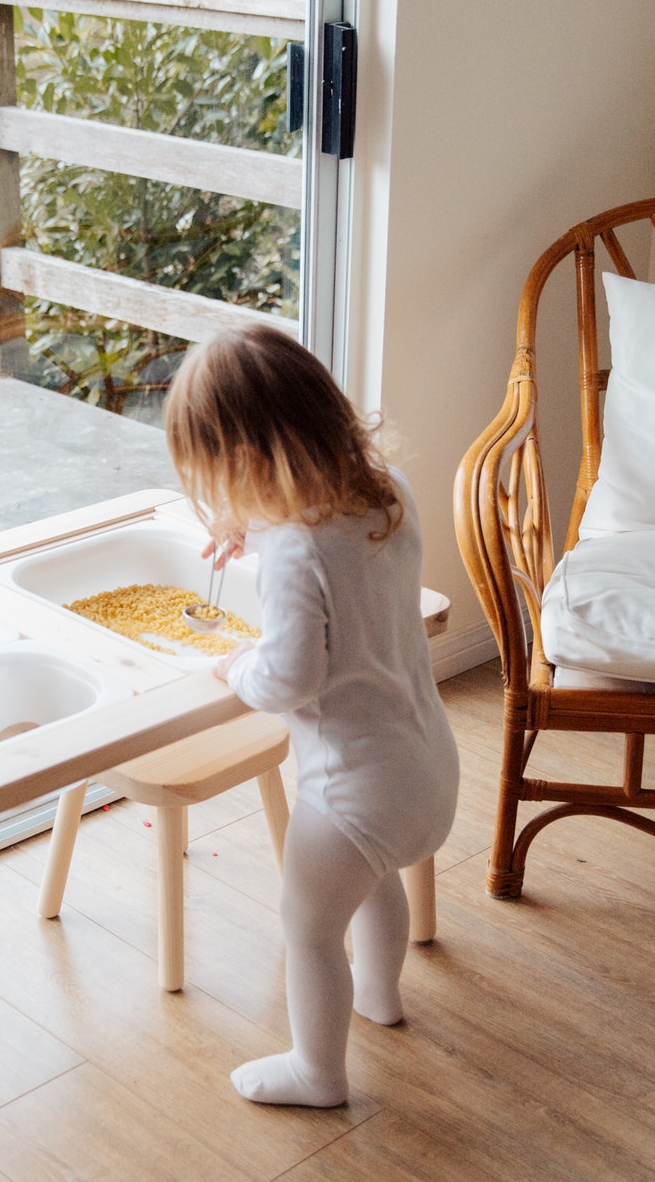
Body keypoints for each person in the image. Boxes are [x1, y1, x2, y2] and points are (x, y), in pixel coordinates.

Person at [165, 323, 460, 1108]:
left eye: (223, 484)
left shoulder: (294, 551)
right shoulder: (386, 489)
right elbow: (338, 565)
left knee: (308, 926)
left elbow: (291, 675)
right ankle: (381, 997)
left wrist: (236, 663)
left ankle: (318, 1072)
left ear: (251, 464)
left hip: (351, 792)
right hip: (427, 765)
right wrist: (251, 526)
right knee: (372, 885)